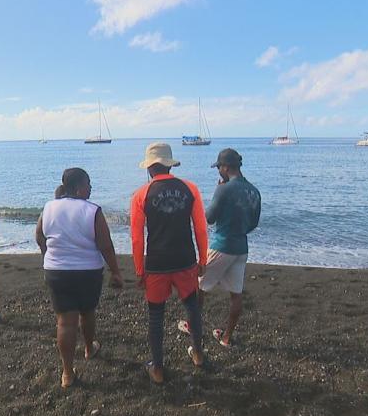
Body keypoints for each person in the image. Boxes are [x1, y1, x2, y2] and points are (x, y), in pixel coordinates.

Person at [36, 168, 123, 388]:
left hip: (57, 271)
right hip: (87, 271)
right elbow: (105, 245)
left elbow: (39, 236)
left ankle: (67, 372)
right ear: (77, 187)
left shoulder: (49, 207)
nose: (91, 187)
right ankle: (88, 348)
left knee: (65, 321)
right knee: (87, 311)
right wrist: (116, 272)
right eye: (88, 183)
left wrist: (48, 256)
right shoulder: (92, 210)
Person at [130, 142, 208, 384]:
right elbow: (201, 228)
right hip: (185, 259)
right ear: (169, 166)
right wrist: (202, 258)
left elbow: (136, 237)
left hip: (157, 263)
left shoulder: (141, 195)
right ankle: (197, 354)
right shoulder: (190, 189)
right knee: (192, 308)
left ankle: (158, 368)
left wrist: (139, 269)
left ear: (149, 168)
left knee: (156, 316)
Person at [179, 148, 261, 347]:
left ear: (226, 167)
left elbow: (209, 218)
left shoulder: (224, 188)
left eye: (219, 167)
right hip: (241, 247)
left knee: (198, 285)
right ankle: (226, 338)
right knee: (236, 294)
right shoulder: (254, 191)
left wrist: (218, 191)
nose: (218, 171)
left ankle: (192, 325)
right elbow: (253, 223)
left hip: (222, 244)